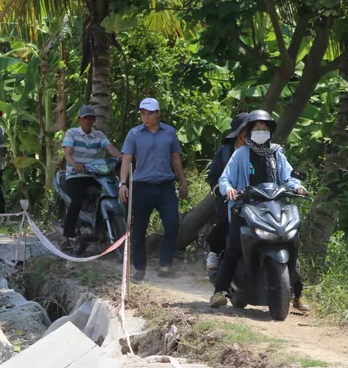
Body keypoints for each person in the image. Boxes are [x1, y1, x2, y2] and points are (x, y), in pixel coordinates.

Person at [210, 109, 310, 312]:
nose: (261, 131)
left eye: (264, 128)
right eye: (257, 128)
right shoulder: (240, 154)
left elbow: (288, 176)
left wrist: (297, 186)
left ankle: (298, 294)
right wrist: (228, 189)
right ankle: (219, 291)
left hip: (274, 206)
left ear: (270, 131)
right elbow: (225, 178)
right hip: (245, 208)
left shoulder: (277, 153)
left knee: (290, 243)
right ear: (249, 131)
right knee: (233, 247)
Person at [119, 98, 189, 282]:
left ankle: (165, 263)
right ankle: (139, 268)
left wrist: (183, 181)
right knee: (139, 228)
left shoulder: (169, 132)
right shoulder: (134, 134)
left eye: (150, 113)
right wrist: (123, 183)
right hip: (142, 187)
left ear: (158, 114)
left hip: (166, 186)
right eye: (143, 113)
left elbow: (175, 157)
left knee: (172, 224)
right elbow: (126, 159)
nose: (146, 117)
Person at [60, 104, 122, 251]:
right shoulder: (72, 133)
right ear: (79, 120)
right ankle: (66, 237)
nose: (88, 121)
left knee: (108, 194)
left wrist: (122, 157)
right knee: (76, 200)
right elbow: (68, 152)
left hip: (94, 175)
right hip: (75, 175)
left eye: (91, 118)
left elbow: (110, 148)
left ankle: (102, 229)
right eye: (85, 118)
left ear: (94, 120)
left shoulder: (99, 135)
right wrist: (74, 164)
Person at [205, 112, 249, 272]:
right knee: (225, 219)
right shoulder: (224, 151)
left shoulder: (258, 151)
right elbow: (213, 177)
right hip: (228, 198)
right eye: (245, 130)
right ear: (239, 132)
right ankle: (215, 252)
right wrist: (224, 191)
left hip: (253, 198)